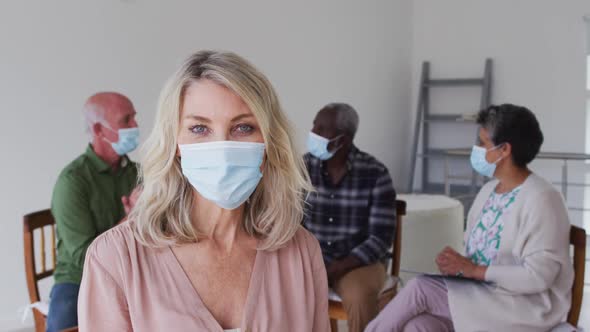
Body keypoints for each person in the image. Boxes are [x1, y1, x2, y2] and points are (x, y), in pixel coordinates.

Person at [77, 50, 330, 331]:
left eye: (243, 127)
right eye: (199, 128)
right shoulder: (115, 258)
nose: (221, 147)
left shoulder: (302, 252)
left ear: (269, 142)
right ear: (174, 144)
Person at [366, 104, 574, 332]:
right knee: (419, 326)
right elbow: (476, 257)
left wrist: (473, 270)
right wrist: (457, 264)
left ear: (504, 150)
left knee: (420, 288)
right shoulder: (487, 192)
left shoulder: (543, 199)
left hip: (524, 308)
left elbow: (538, 277)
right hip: (482, 299)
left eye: (482, 143)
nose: (475, 149)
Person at [47, 92, 140, 332]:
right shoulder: (72, 181)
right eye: (126, 120)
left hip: (132, 272)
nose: (135, 126)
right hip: (79, 279)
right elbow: (83, 256)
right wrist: (130, 219)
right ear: (99, 130)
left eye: (134, 118)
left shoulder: (136, 173)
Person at [304, 103, 397, 332]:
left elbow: (380, 238)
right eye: (314, 125)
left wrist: (337, 268)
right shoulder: (302, 168)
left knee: (358, 295)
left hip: (359, 262)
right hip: (312, 259)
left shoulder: (375, 173)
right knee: (279, 291)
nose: (313, 132)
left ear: (341, 140)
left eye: (321, 128)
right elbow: (289, 224)